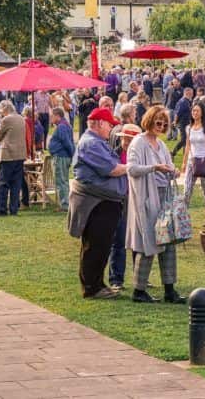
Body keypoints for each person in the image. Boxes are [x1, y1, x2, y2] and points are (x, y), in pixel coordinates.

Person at [125, 106, 186, 304]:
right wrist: (154, 168)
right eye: (157, 122)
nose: (160, 126)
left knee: (168, 240)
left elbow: (168, 166)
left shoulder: (160, 144)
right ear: (149, 121)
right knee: (148, 243)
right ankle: (139, 290)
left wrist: (172, 171)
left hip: (163, 196)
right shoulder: (138, 143)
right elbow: (132, 168)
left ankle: (170, 289)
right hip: (147, 197)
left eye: (164, 124)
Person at [68, 107, 127, 300]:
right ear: (100, 123)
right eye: (110, 125)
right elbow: (112, 169)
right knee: (96, 244)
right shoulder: (91, 144)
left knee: (101, 244)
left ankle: (98, 283)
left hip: (104, 201)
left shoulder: (97, 142)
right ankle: (92, 287)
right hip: (97, 202)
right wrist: (132, 166)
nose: (111, 129)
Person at [108, 123, 140, 291]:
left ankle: (140, 276)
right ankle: (116, 278)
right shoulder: (114, 154)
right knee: (118, 238)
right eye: (124, 139)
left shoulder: (140, 155)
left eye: (129, 139)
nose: (126, 142)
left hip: (136, 198)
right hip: (120, 198)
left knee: (137, 240)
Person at [0, 101, 27, 216]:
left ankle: (2, 209)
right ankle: (13, 209)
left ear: (5, 109)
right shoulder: (21, 118)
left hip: (8, 155)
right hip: (20, 155)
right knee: (16, 184)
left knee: (3, 183)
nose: (0, 114)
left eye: (1, 111)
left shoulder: (6, 120)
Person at [182, 101, 205, 217]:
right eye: (193, 110)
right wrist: (184, 162)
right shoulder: (188, 128)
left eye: (197, 111)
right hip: (192, 161)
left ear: (202, 113)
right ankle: (183, 218)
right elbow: (187, 145)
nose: (194, 113)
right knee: (187, 191)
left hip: (204, 161)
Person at [48, 106, 75, 211]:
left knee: (61, 181)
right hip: (64, 156)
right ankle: (66, 203)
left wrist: (70, 154)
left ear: (57, 116)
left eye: (52, 116)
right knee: (63, 181)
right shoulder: (64, 125)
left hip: (61, 156)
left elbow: (67, 142)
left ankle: (64, 205)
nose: (51, 118)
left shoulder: (62, 127)